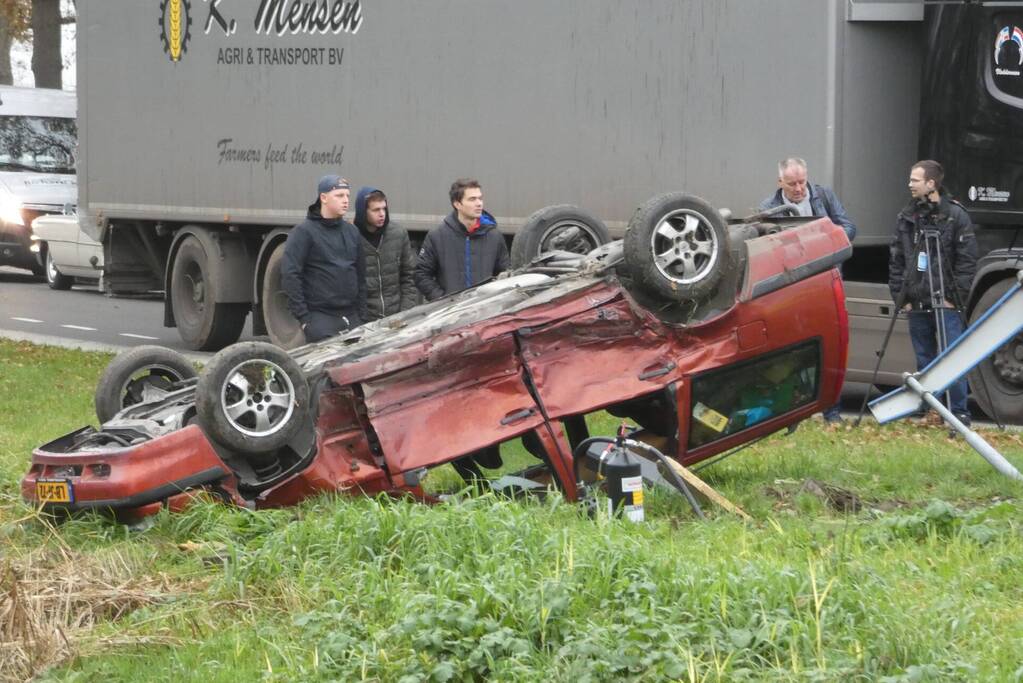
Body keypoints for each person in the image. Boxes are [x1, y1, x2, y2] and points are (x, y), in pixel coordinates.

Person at [760, 157, 856, 424]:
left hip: (826, 282)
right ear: (780, 182)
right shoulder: (768, 208)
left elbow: (849, 227)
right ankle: (793, 414)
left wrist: (824, 245)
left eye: (802, 181)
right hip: (792, 289)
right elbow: (765, 247)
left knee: (831, 346)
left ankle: (832, 413)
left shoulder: (823, 196)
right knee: (792, 353)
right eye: (792, 184)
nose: (799, 188)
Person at [888, 160, 978, 425]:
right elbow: (896, 258)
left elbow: (967, 261)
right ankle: (930, 407)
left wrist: (955, 297)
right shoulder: (907, 216)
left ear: (931, 184)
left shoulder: (955, 215)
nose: (910, 184)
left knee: (952, 356)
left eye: (915, 180)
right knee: (924, 357)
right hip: (916, 299)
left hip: (946, 300)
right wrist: (900, 297)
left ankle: (958, 412)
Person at [281, 175, 367, 343]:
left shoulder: (352, 232)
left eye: (348, 196)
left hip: (352, 318)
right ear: (323, 198)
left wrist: (362, 316)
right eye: (339, 195)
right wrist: (305, 319)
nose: (345, 201)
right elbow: (290, 275)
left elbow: (361, 276)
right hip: (320, 318)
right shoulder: (304, 232)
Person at [414, 178, 509, 301]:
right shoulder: (437, 235)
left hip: (485, 312)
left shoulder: (494, 236)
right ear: (457, 204)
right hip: (450, 314)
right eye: (472, 199)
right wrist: (442, 299)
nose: (479, 203)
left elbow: (505, 274)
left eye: (480, 198)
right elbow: (421, 274)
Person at [353, 186, 418, 321]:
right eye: (376, 210)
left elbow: (409, 277)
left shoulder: (398, 233)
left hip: (397, 317)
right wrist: (359, 319)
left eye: (384, 208)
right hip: (364, 320)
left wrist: (405, 313)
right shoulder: (350, 237)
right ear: (363, 212)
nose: (382, 213)